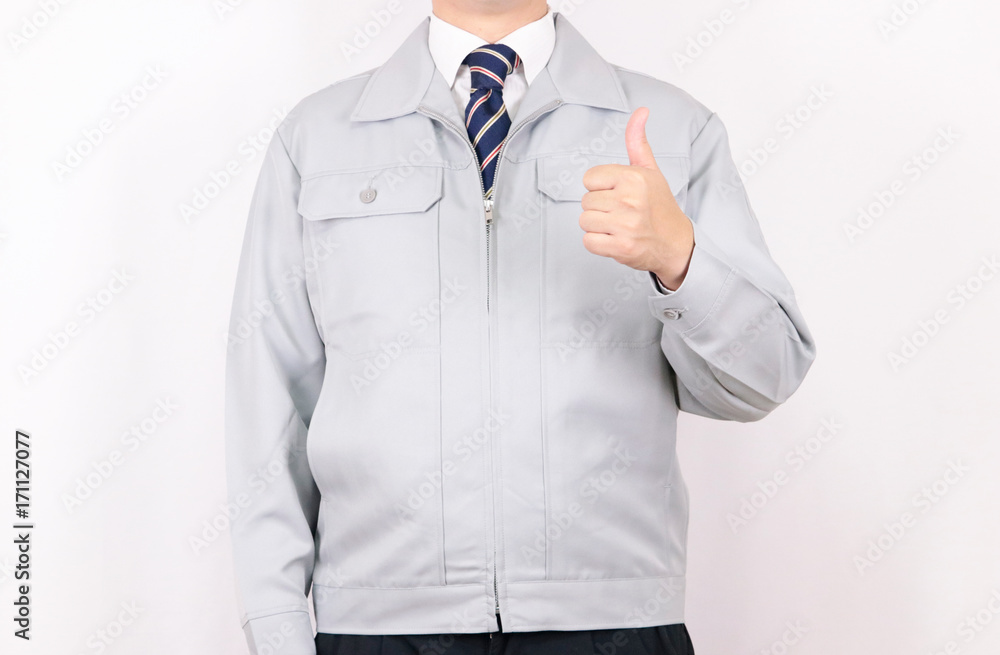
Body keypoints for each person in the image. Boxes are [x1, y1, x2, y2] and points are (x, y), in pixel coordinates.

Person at [224, 2, 817, 654]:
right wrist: (277, 631)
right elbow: (267, 405)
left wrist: (681, 260)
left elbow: (764, 377)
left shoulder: (676, 131)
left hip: (611, 623)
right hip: (379, 626)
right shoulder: (317, 139)